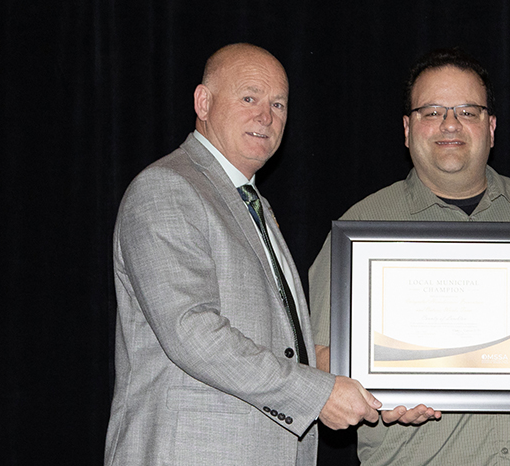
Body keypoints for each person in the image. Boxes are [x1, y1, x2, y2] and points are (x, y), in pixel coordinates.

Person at [309, 48, 510, 465]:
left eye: (467, 111)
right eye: (431, 112)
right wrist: (377, 394)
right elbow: (321, 362)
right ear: (407, 129)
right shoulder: (360, 230)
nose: (449, 124)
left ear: (491, 128)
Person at [105, 43, 386, 466]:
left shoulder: (249, 201)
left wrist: (363, 377)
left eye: (278, 104)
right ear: (203, 102)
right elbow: (191, 331)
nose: (266, 116)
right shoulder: (166, 188)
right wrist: (316, 393)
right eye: (249, 97)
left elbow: (277, 342)